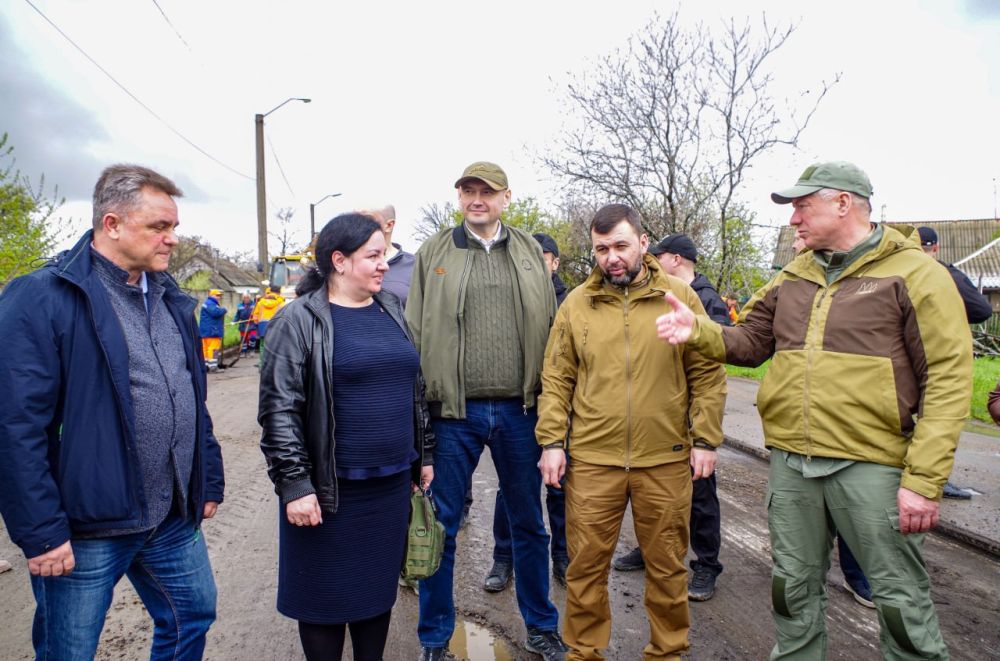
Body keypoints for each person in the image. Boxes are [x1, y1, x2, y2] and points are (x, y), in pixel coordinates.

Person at [656, 161, 971, 659]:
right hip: (793, 464)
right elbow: (750, 342)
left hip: (873, 465)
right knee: (792, 590)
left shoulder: (916, 274)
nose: (793, 220)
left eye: (803, 206)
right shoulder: (793, 275)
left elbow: (948, 380)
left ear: (843, 203)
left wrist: (924, 480)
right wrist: (699, 331)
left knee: (900, 603)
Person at [0, 163, 225, 660]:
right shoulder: (43, 297)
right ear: (112, 224)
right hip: (88, 527)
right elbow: (14, 426)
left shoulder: (170, 298)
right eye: (159, 226)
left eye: (174, 226)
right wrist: (41, 531)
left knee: (192, 615)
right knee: (69, 651)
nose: (171, 238)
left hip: (168, 515)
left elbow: (191, 396)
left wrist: (206, 477)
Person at [537, 204, 726, 661]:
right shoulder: (577, 304)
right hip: (593, 460)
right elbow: (557, 377)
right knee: (585, 568)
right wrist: (552, 442)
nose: (612, 257)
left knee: (667, 569)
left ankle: (667, 651)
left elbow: (707, 372)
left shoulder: (679, 296)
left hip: (664, 458)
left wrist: (705, 439)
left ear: (643, 243)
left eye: (620, 245)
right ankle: (584, 652)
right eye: (601, 249)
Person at [406, 161, 565, 661]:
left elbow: (552, 330)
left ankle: (541, 626)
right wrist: (417, 412)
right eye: (468, 191)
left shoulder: (529, 251)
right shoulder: (435, 252)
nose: (477, 199)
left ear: (506, 197)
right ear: (459, 197)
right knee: (442, 526)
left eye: (487, 192)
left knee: (529, 523)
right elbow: (413, 332)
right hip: (454, 414)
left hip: (521, 412)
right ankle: (435, 638)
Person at [258, 213, 435, 661]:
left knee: (375, 596)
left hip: (388, 488)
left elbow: (413, 389)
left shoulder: (390, 308)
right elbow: (279, 411)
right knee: (323, 602)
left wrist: (424, 455)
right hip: (329, 495)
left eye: (383, 255)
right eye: (373, 256)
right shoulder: (297, 320)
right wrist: (295, 485)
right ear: (339, 261)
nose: (384, 265)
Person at [611, 233, 729, 604]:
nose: (653, 261)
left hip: (690, 421)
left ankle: (706, 563)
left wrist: (704, 432)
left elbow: (715, 362)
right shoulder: (654, 293)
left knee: (700, 496)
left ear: (675, 259)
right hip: (656, 422)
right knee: (650, 499)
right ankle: (649, 549)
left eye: (659, 255)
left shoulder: (706, 299)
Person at [485, 232, 570, 593]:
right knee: (513, 488)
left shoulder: (571, 302)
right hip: (521, 407)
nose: (535, 263)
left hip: (560, 408)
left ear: (554, 262)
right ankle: (503, 557)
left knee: (561, 487)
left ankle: (562, 556)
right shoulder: (511, 294)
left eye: (542, 257)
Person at [917, 226, 990, 500]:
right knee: (938, 414)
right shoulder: (945, 274)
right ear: (935, 248)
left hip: (900, 357)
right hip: (938, 356)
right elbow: (982, 310)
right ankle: (933, 479)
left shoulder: (896, 271)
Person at [361, 204, 416, 307]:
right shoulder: (343, 264)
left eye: (366, 219)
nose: (356, 224)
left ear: (389, 225)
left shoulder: (416, 266)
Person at [252, 284, 285, 367]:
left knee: (263, 346)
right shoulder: (281, 303)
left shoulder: (260, 303)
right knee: (275, 346)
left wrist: (257, 324)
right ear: (279, 292)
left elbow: (255, 317)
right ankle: (273, 365)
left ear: (270, 291)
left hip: (262, 328)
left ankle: (262, 365)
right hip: (276, 328)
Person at [199, 288, 227, 370]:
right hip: (212, 331)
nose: (219, 297)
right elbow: (216, 313)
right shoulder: (211, 303)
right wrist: (224, 310)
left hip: (206, 331)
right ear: (212, 295)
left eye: (220, 296)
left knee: (206, 349)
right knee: (213, 349)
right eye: (217, 295)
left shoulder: (207, 303)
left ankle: (206, 366)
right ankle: (213, 367)